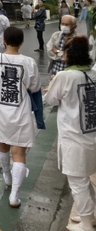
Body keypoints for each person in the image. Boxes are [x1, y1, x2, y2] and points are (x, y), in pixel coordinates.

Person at [0, 26, 41, 207]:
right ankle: (14, 196)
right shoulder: (29, 62)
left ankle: (7, 175)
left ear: (4, 41)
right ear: (22, 42)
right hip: (20, 110)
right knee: (19, 152)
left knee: (2, 143)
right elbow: (35, 87)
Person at [44, 36, 96, 231]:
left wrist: (51, 86)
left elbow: (50, 99)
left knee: (78, 182)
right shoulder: (94, 73)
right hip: (92, 134)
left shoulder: (65, 76)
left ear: (69, 55)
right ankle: (91, 216)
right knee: (88, 178)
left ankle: (85, 223)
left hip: (74, 138)